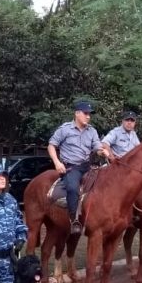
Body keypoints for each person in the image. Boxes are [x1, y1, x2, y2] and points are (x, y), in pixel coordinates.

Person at [48, 100, 104, 235]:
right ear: (77, 113)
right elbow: (51, 145)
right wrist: (57, 163)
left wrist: (102, 151)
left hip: (88, 166)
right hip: (71, 167)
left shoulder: (92, 131)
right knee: (73, 188)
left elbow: (97, 147)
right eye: (86, 113)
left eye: (89, 114)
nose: (88, 116)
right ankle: (74, 220)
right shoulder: (65, 129)